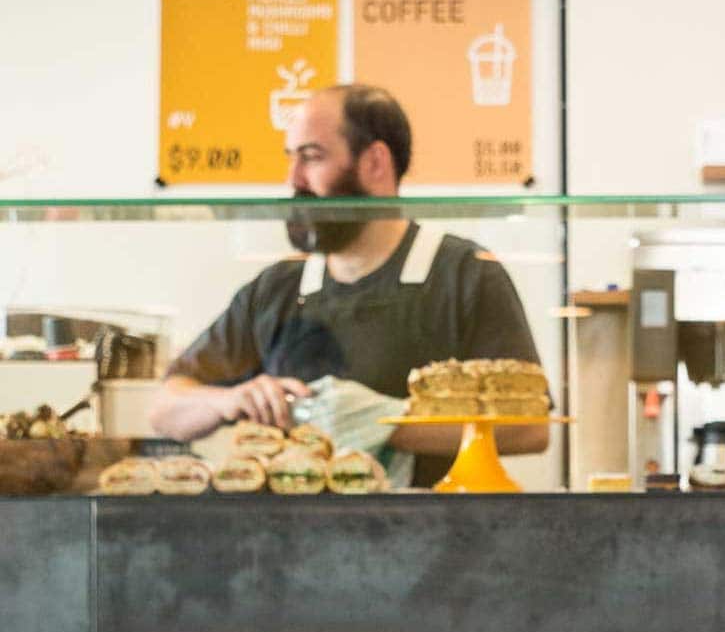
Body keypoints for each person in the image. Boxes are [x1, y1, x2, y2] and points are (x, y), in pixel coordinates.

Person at [148, 84, 547, 487]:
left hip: (432, 538)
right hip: (296, 540)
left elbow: (531, 428)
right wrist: (229, 399)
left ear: (375, 162)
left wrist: (383, 423)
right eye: (291, 159)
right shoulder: (277, 289)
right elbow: (165, 409)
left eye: (312, 157)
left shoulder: (466, 275)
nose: (294, 179)